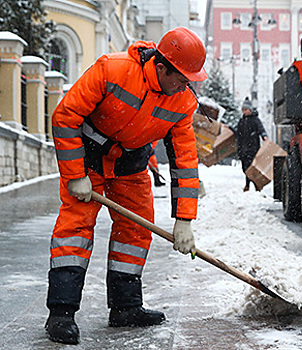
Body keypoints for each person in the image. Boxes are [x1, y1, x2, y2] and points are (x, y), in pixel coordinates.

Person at [46, 27, 207, 344]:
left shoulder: (183, 102)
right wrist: (75, 173)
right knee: (75, 228)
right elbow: (65, 116)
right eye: (182, 78)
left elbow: (185, 160)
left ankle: (125, 307)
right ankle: (61, 314)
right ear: (161, 67)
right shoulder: (113, 69)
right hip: (89, 159)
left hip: (131, 164)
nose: (186, 86)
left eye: (190, 80)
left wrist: (185, 220)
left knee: (136, 229)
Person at [233, 98, 267, 191]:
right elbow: (237, 133)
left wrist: (264, 136)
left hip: (252, 148)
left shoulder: (255, 120)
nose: (244, 112)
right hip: (242, 149)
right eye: (243, 110)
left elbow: (261, 129)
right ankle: (252, 183)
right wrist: (229, 129)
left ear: (250, 110)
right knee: (244, 168)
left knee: (251, 168)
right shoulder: (241, 121)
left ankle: (250, 185)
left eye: (246, 110)